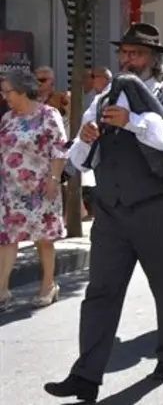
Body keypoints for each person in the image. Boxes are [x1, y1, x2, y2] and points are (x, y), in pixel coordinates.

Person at [46, 23, 163, 402]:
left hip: (155, 208)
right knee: (100, 293)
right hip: (111, 214)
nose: (129, 59)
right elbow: (79, 161)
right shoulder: (101, 100)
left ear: (154, 59)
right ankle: (85, 376)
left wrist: (135, 122)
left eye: (138, 53)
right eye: (125, 52)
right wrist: (84, 140)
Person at [0, 69, 68, 309]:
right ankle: (2, 291)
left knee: (44, 239)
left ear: (21, 91)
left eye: (7, 91)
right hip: (10, 190)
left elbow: (59, 149)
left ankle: (48, 286)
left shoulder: (48, 115)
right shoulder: (8, 119)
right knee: (6, 238)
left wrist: (54, 178)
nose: (4, 96)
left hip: (41, 188)